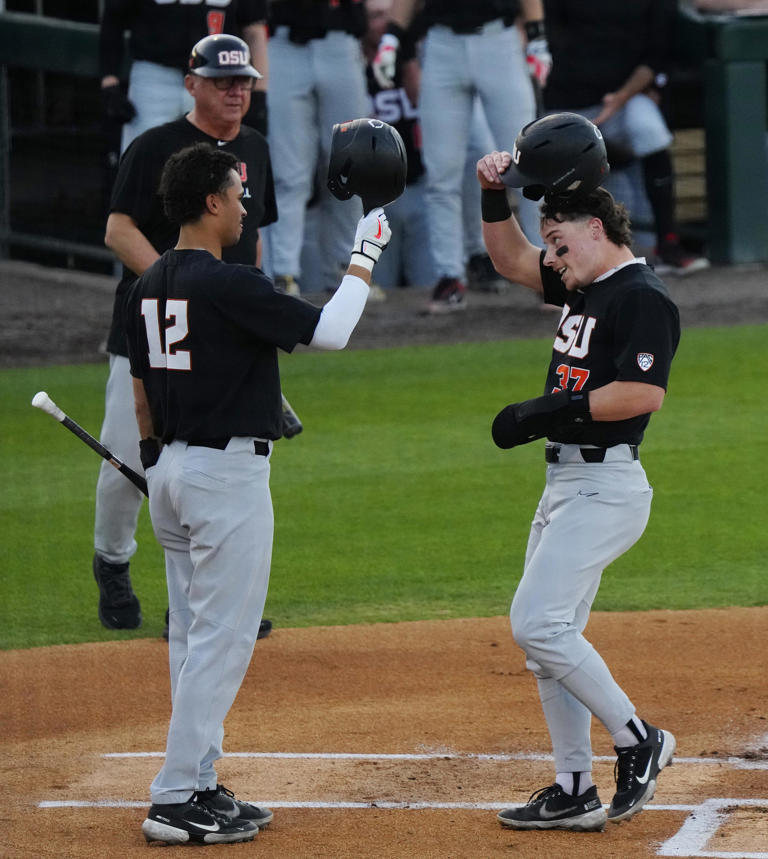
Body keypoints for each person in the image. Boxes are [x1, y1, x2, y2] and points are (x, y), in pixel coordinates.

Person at [124, 141, 391, 845]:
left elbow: (139, 395)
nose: (245, 205)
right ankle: (175, 794)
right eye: (237, 194)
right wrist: (364, 252)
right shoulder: (229, 282)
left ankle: (201, 782)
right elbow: (332, 332)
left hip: (172, 476)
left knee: (191, 634)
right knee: (222, 637)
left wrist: (156, 464)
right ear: (210, 203)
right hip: (224, 480)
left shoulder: (145, 283)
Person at [476, 113, 678, 831]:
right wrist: (493, 193)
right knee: (547, 645)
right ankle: (572, 784)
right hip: (564, 483)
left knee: (536, 622)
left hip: (607, 485)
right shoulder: (580, 284)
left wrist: (544, 411)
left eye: (559, 244)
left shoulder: (641, 297)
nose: (551, 259)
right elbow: (507, 257)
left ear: (596, 225)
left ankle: (638, 736)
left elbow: (641, 393)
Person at [93, 34, 275, 639]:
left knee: (207, 465)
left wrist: (246, 310)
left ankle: (203, 599)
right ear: (191, 84)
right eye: (223, 81)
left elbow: (253, 239)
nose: (236, 90)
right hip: (149, 330)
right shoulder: (154, 146)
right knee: (129, 457)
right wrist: (179, 287)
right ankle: (113, 563)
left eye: (243, 80)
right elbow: (119, 231)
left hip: (226, 339)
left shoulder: (255, 148)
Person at [372, 0, 549, 312]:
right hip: (442, 42)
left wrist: (537, 36)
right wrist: (392, 36)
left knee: (528, 161)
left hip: (498, 39)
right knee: (441, 172)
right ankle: (450, 275)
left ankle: (547, 269)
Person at [541, 0, 710, 275]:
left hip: (625, 95)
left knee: (650, 130)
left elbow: (656, 55)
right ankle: (561, 260)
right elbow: (551, 39)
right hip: (567, 99)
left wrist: (620, 97)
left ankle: (668, 242)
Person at [263, 0, 371, 296]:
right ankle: (283, 272)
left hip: (340, 38)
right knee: (289, 171)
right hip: (283, 41)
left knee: (348, 163)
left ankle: (345, 268)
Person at [99, 0, 270, 154]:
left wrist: (258, 94)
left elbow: (253, 28)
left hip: (218, 78)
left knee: (217, 170)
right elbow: (113, 18)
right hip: (155, 76)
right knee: (143, 165)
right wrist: (109, 81)